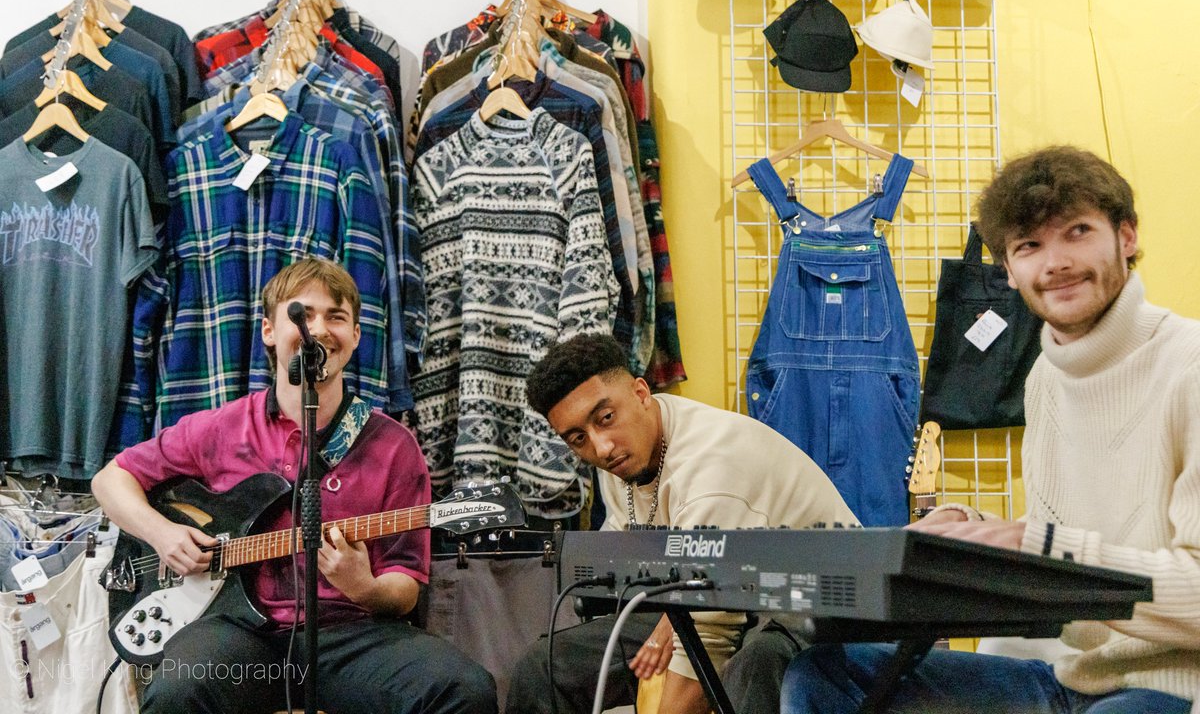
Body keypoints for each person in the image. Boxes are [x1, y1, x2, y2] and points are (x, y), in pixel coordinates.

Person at [781, 145, 1200, 714]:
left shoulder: (1190, 365)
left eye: (1076, 231)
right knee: (823, 677)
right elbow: (1074, 532)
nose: (1054, 263)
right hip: (1073, 682)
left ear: (1125, 236)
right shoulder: (1046, 379)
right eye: (1029, 245)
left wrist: (1032, 543)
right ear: (1007, 270)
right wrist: (976, 532)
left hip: (1173, 689)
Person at [92, 258, 497, 714]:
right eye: (301, 315)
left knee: (465, 690)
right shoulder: (223, 427)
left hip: (349, 637)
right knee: (176, 692)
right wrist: (163, 534)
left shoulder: (394, 446)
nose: (318, 329)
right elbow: (111, 480)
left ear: (357, 336)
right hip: (235, 635)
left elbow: (404, 587)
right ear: (269, 330)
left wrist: (363, 586)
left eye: (336, 317)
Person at [505, 333, 858, 714]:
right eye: (578, 439)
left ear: (641, 393)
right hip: (714, 602)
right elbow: (631, 577)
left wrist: (677, 622)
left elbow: (711, 633)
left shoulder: (710, 467)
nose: (600, 448)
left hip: (820, 610)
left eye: (606, 418)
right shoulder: (623, 456)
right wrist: (668, 615)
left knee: (753, 667)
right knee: (545, 667)